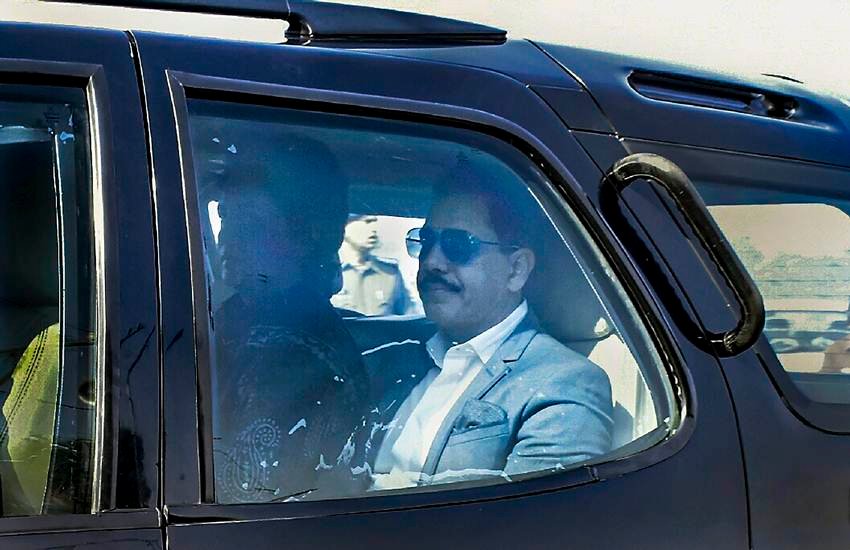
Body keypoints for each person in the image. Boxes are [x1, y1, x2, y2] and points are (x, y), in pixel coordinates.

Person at [366, 174, 614, 489]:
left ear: (516, 270)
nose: (432, 262)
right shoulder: (397, 355)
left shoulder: (563, 382)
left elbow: (535, 515)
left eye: (458, 245)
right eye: (426, 241)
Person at [209, 136, 369, 503]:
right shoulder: (239, 313)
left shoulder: (303, 356)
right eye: (226, 215)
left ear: (306, 234)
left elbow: (245, 493)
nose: (227, 235)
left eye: (251, 222)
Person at [331, 214, 411, 316]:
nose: (373, 229)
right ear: (345, 228)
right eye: (366, 222)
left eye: (374, 223)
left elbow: (407, 317)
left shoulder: (390, 273)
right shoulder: (331, 273)